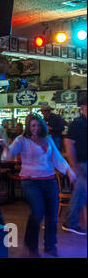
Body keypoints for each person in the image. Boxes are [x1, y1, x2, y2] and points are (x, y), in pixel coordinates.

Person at [3, 113, 76, 257]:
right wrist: (4, 145)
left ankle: (50, 246)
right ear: (28, 127)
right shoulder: (22, 140)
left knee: (52, 215)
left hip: (49, 180)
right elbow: (9, 155)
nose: (35, 128)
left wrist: (68, 170)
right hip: (30, 181)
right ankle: (31, 247)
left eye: (37, 125)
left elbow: (57, 158)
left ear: (42, 125)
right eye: (32, 126)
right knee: (38, 211)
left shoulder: (48, 139)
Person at [62, 97, 87, 235]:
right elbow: (68, 143)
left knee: (81, 194)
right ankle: (70, 223)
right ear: (83, 107)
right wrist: (73, 165)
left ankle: (72, 222)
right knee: (80, 194)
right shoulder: (77, 123)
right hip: (82, 164)